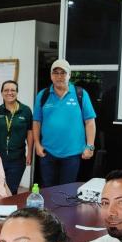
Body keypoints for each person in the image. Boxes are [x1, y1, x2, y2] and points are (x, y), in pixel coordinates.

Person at [33, 59, 96, 187]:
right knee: (47, 190)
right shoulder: (43, 95)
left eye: (63, 73)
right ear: (51, 76)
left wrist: (90, 146)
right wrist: (37, 144)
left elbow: (90, 122)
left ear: (69, 75)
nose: (59, 76)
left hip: (73, 153)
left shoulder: (80, 94)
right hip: (47, 152)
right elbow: (36, 122)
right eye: (55, 73)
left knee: (67, 191)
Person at [0, 80, 33, 194]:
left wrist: (29, 153)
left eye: (13, 90)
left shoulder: (25, 110)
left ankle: (10, 211)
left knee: (11, 190)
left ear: (17, 92)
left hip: (17, 158)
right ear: (1, 93)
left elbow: (30, 132)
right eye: (6, 90)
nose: (9, 93)